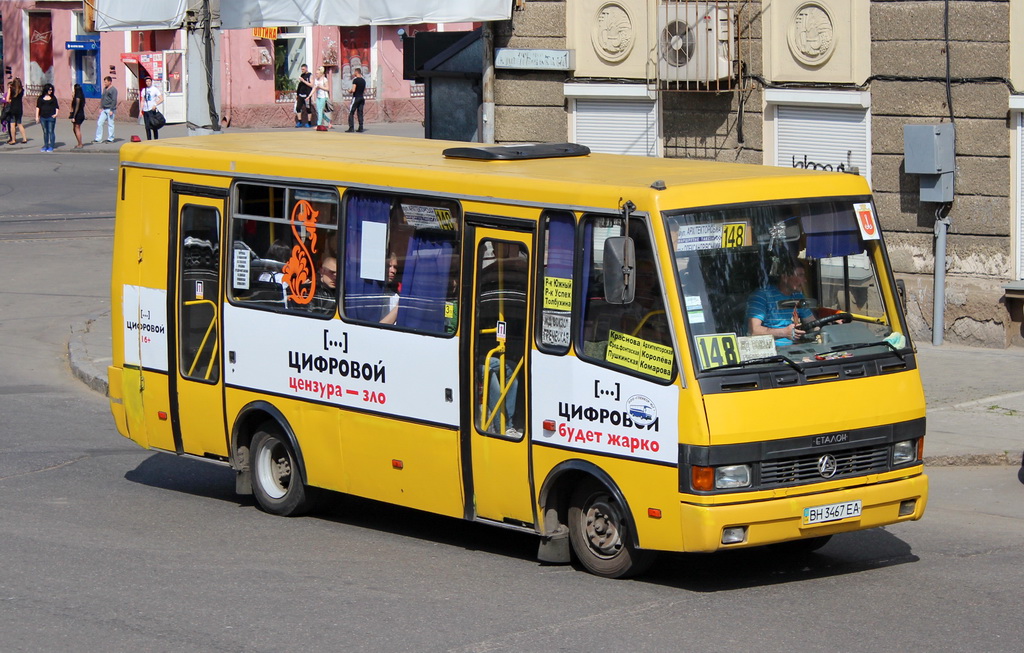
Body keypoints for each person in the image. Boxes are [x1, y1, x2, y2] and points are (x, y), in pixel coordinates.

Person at [746, 258, 814, 346]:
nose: (805, 280)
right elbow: (753, 331)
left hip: (795, 350)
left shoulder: (798, 297)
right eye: (800, 275)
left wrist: (830, 326)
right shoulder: (762, 296)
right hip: (771, 353)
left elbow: (813, 324)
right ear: (785, 277)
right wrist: (784, 332)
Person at [34, 83, 58, 153]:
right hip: (43, 117)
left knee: (51, 131)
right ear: (46, 90)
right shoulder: (41, 98)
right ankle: (46, 145)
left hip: (51, 117)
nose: (51, 91)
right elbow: (38, 107)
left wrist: (56, 114)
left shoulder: (53, 98)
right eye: (49, 90)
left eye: (51, 90)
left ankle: (51, 146)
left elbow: (57, 106)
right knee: (45, 132)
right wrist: (37, 117)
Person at [94, 76, 117, 143]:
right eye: (104, 82)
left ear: (110, 82)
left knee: (110, 124)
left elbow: (114, 100)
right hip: (104, 109)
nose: (104, 83)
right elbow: (103, 98)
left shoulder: (113, 90)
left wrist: (112, 109)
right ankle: (98, 138)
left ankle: (111, 138)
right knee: (99, 123)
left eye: (106, 82)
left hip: (110, 109)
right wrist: (101, 107)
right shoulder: (105, 89)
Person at [380, 251, 400, 324]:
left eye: (395, 267)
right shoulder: (371, 295)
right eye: (389, 266)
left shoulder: (395, 298)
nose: (393, 271)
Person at [5, 78, 27, 145]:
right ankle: (24, 139)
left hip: (13, 108)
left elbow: (7, 99)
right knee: (19, 124)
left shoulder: (11, 89)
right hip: (19, 108)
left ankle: (13, 140)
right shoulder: (21, 90)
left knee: (12, 124)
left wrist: (11, 101)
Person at [346, 67, 366, 133]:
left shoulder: (355, 80)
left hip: (356, 97)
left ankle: (351, 127)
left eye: (355, 72)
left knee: (351, 112)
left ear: (356, 72)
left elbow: (354, 90)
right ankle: (361, 127)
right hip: (362, 98)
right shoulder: (363, 80)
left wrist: (350, 91)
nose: (354, 73)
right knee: (360, 112)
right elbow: (364, 90)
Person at [313, 66, 332, 130]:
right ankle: (329, 120)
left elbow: (327, 88)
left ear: (321, 74)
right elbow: (314, 88)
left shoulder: (325, 79)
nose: (316, 74)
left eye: (317, 73)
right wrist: (309, 96)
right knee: (319, 112)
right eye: (316, 73)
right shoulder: (316, 80)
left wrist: (321, 87)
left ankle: (319, 125)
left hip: (324, 97)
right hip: (318, 97)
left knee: (320, 111)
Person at [69, 84, 86, 149]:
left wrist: (74, 116)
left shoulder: (78, 97)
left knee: (77, 128)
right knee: (75, 129)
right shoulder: (81, 96)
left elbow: (77, 107)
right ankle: (79, 143)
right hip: (81, 113)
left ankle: (80, 143)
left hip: (78, 114)